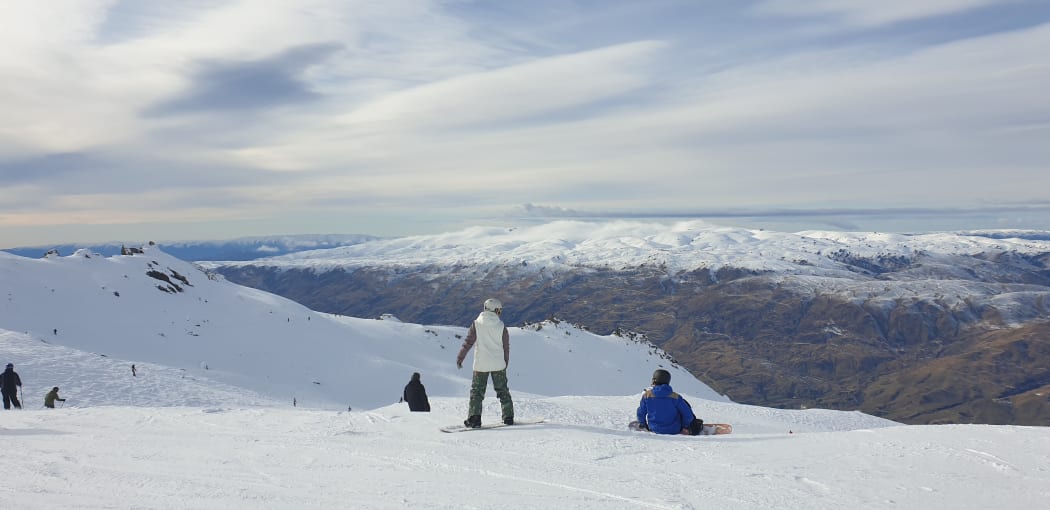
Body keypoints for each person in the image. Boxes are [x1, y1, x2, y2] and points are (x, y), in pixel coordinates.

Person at [456, 298, 514, 428]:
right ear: (495, 310)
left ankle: (474, 419)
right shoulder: (501, 326)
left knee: (477, 392)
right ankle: (508, 417)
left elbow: (468, 343)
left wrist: (460, 358)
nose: (500, 313)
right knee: (503, 390)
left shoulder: (476, 324)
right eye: (499, 310)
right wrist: (505, 363)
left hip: (481, 364)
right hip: (498, 363)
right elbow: (506, 347)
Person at [634, 369, 703, 435]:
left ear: (654, 380)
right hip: (674, 430)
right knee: (685, 405)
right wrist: (685, 427)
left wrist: (643, 425)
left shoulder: (647, 396)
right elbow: (688, 415)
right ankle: (693, 428)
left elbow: (641, 413)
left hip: (654, 429)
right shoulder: (676, 397)